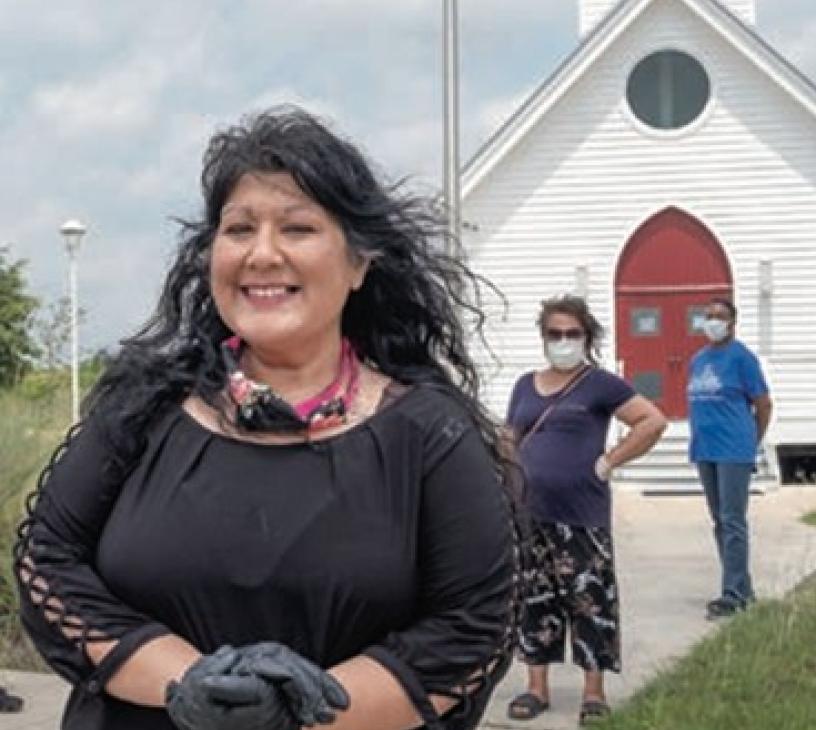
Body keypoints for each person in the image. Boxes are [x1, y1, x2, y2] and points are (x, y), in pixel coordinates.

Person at [13, 106, 520, 730]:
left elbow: (472, 627)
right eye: (239, 228)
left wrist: (300, 708)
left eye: (299, 228)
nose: (263, 254)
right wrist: (186, 683)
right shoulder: (142, 405)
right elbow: (49, 560)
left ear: (360, 262)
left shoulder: (430, 433)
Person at [504, 295, 666, 726]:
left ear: (586, 337)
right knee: (532, 600)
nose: (563, 341)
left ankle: (593, 693)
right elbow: (510, 439)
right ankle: (535, 687)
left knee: (590, 600)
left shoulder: (601, 384)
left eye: (571, 333)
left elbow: (651, 421)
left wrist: (611, 460)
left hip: (581, 515)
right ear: (543, 337)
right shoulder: (524, 385)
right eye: (554, 333)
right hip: (530, 514)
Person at [687, 297, 773, 619]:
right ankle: (742, 587)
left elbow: (763, 403)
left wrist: (752, 440)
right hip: (705, 448)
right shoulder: (698, 360)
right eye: (707, 315)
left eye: (719, 316)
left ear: (733, 322)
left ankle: (733, 594)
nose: (712, 321)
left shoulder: (742, 358)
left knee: (733, 520)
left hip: (733, 449)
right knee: (720, 520)